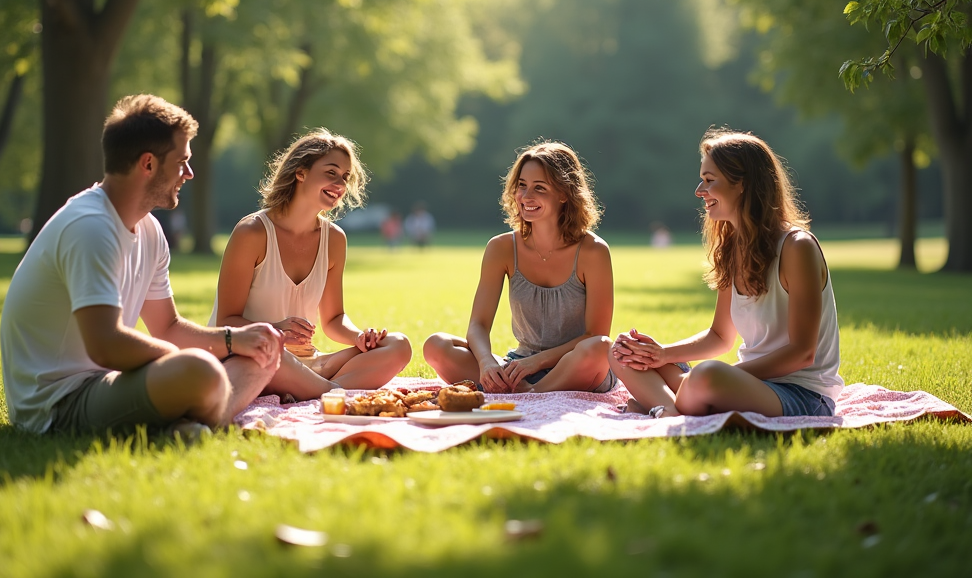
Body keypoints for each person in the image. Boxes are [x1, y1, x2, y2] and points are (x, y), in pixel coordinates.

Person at [0, 95, 283, 435]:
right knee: (200, 370)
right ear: (148, 164)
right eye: (182, 162)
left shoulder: (149, 230)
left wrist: (234, 339)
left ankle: (185, 423)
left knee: (262, 358)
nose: (189, 174)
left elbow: (168, 327)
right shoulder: (90, 226)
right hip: (59, 402)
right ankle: (196, 417)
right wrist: (198, 359)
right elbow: (105, 345)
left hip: (109, 383)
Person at [609, 128, 844, 418]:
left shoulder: (797, 248)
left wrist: (726, 374)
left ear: (742, 184)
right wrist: (661, 354)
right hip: (746, 384)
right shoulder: (734, 249)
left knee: (705, 377)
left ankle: (663, 404)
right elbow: (720, 336)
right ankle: (671, 406)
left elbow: (802, 353)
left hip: (801, 394)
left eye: (709, 181)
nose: (699, 191)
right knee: (622, 353)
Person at [209, 129, 412, 400]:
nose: (340, 184)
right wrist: (277, 328)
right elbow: (225, 321)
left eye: (345, 177)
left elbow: (333, 319)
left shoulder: (334, 239)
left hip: (309, 363)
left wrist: (359, 337)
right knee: (272, 356)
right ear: (300, 172)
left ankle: (312, 391)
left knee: (398, 345)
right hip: (252, 355)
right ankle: (332, 394)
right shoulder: (252, 232)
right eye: (331, 173)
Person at [423, 141, 616, 393]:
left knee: (600, 347)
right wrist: (486, 363)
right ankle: (526, 391)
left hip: (574, 367)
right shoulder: (501, 248)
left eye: (539, 188)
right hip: (519, 366)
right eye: (522, 186)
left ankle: (532, 394)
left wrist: (538, 362)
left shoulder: (593, 251)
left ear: (564, 193)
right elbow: (478, 325)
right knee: (436, 345)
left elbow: (594, 335)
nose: (526, 197)